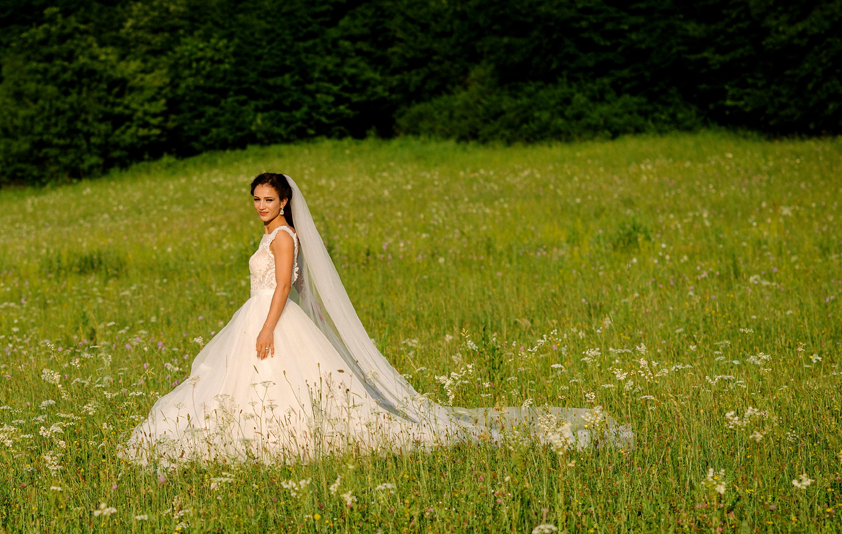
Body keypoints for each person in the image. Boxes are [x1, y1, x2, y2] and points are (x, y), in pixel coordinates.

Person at [124, 173, 632, 465]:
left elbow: (282, 287)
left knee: (275, 382)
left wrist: (267, 327)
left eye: (268, 199)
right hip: (260, 314)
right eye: (256, 199)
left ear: (285, 202)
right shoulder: (270, 233)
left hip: (269, 317)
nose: (260, 206)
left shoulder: (282, 237)